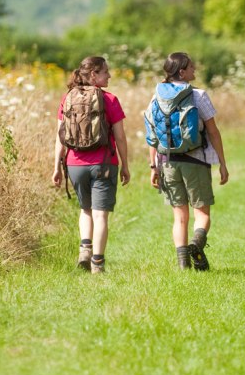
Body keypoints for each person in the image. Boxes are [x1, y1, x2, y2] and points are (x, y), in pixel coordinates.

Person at [147, 52, 229, 270]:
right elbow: (213, 131)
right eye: (191, 67)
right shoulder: (198, 95)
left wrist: (153, 166)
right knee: (201, 213)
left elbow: (152, 134)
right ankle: (197, 243)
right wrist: (222, 162)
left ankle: (183, 265)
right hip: (196, 160)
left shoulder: (156, 97)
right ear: (181, 72)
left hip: (168, 162)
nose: (195, 70)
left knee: (179, 215)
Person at [52, 56, 130, 273]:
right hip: (103, 163)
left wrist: (57, 167)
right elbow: (121, 137)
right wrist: (125, 165)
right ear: (94, 75)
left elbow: (60, 136)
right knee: (100, 214)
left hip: (74, 164)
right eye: (105, 72)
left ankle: (84, 249)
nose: (109, 75)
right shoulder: (110, 100)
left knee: (85, 210)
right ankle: (97, 263)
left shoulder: (67, 98)